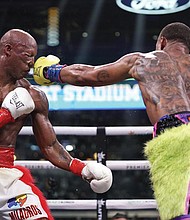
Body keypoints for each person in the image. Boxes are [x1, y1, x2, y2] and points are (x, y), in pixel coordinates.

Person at [33, 22, 190, 220]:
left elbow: (88, 75)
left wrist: (49, 71)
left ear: (162, 42)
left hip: (173, 137)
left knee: (179, 212)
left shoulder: (144, 60)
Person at [0, 29, 113, 220]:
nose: (32, 63)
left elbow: (49, 145)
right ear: (8, 50)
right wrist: (5, 114)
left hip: (5, 175)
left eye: (34, 57)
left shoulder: (33, 96)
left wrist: (81, 168)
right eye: (27, 56)